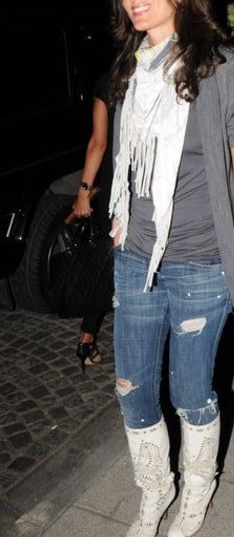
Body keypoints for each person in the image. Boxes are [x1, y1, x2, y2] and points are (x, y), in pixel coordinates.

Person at [106, 0, 234, 537]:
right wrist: (119, 215)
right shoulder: (132, 69)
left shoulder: (219, 71)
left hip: (201, 261)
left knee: (190, 392)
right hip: (136, 258)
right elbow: (127, 158)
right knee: (131, 387)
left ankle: (198, 486)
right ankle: (154, 489)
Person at [72, 72, 113, 372]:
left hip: (115, 187)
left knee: (107, 262)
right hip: (151, 185)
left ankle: (87, 337)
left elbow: (98, 142)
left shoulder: (109, 80)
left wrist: (84, 191)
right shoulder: (165, 72)